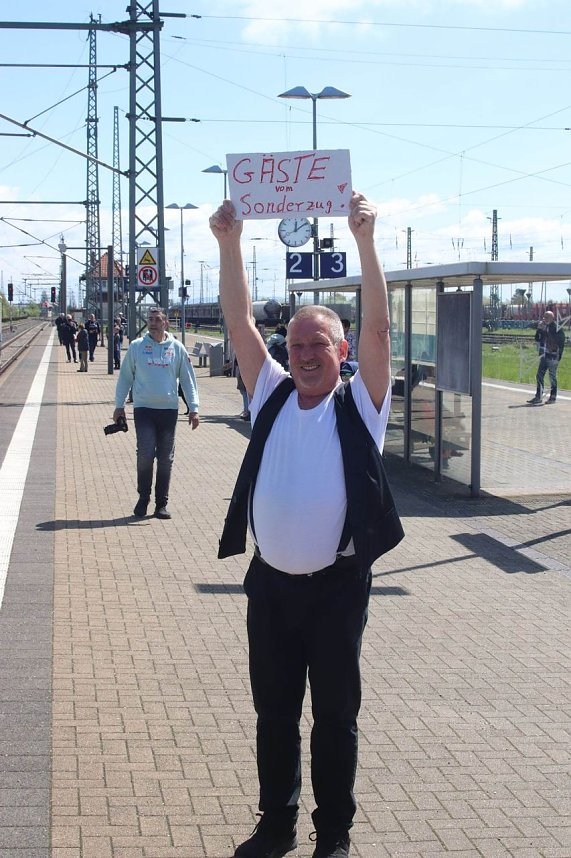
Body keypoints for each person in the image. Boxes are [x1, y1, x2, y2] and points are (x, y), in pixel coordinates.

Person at [209, 192, 404, 858]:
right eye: (294, 344)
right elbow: (237, 322)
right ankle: (275, 826)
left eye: (315, 343)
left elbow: (380, 331)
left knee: (335, 722)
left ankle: (335, 834)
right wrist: (227, 245)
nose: (302, 354)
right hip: (269, 588)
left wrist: (365, 240)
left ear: (340, 348)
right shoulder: (270, 393)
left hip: (336, 588)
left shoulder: (361, 405)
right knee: (274, 717)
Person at [113, 306, 200, 520]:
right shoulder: (136, 347)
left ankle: (161, 504)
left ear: (166, 323)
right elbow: (125, 377)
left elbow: (188, 380)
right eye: (150, 319)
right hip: (144, 410)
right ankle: (143, 498)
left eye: (157, 319)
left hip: (168, 411)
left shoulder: (177, 348)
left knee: (165, 458)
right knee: (144, 454)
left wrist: (194, 408)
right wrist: (119, 405)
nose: (152, 322)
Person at [527, 310, 566, 405]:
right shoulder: (544, 327)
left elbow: (560, 342)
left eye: (547, 317)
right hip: (544, 356)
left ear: (552, 318)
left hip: (553, 356)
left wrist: (558, 356)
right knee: (539, 375)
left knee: (552, 376)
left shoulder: (557, 328)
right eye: (544, 317)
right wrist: (539, 329)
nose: (544, 319)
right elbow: (537, 338)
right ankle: (538, 396)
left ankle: (553, 397)